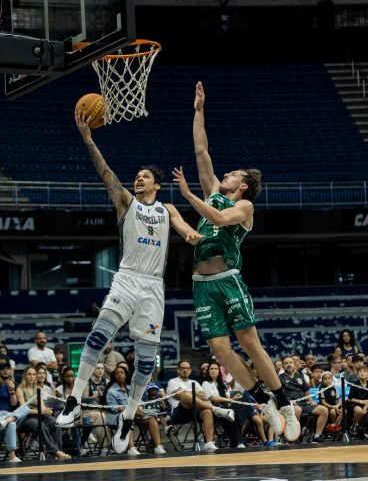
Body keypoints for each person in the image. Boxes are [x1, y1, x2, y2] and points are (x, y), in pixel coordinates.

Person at [56, 106, 202, 458]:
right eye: (136, 175)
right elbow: (104, 172)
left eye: (144, 176)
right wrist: (89, 140)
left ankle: (129, 416)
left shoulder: (167, 209)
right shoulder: (126, 202)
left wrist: (195, 236)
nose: (138, 179)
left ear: (157, 183)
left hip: (153, 288)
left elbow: (186, 232)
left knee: (146, 362)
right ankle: (74, 399)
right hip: (126, 280)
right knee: (96, 336)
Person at [170, 81, 296, 442]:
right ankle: (263, 403)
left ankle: (284, 402)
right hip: (202, 284)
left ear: (243, 185)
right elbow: (201, 149)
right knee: (222, 352)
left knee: (250, 342)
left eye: (234, 174)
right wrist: (198, 110)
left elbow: (221, 220)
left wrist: (189, 197)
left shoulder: (243, 206)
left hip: (228, 278)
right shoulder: (214, 191)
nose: (227, 174)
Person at [16, 366, 70, 461]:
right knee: (40, 425)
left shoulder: (38, 389)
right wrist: (41, 411)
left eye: (33, 374)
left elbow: (42, 406)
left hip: (39, 415)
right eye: (29, 374)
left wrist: (46, 411)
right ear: (25, 376)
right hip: (27, 418)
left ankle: (58, 450)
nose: (32, 376)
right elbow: (23, 409)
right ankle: (55, 452)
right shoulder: (20, 389)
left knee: (55, 421)